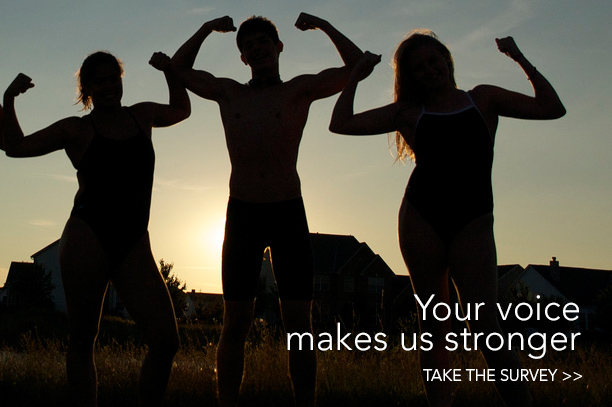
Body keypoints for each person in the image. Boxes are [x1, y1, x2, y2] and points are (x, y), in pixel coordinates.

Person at [329, 31, 565, 407]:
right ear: (410, 77)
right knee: (435, 327)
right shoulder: (408, 112)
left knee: (486, 326)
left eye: (433, 60)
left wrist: (519, 57)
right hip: (421, 216)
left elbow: (553, 107)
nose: (429, 70)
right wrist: (356, 75)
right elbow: (341, 123)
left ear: (447, 59)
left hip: (472, 220)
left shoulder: (483, 98)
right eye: (419, 67)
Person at [169, 13, 362, 407]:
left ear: (278, 48)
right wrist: (207, 28)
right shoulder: (229, 93)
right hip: (243, 213)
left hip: (287, 211)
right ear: (242, 57)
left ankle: (304, 401)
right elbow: (178, 68)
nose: (256, 48)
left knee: (299, 324)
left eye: (263, 42)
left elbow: (357, 65)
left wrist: (323, 24)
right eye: (249, 45)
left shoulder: (298, 90)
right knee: (235, 320)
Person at [2, 51, 191, 407]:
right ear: (86, 88)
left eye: (112, 78)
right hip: (87, 236)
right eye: (98, 81)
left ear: (121, 79)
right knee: (83, 336)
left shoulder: (142, 114)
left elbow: (182, 109)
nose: (108, 86)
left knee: (166, 341)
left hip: (133, 240)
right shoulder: (76, 129)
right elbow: (15, 147)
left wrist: (170, 71)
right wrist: (8, 100)